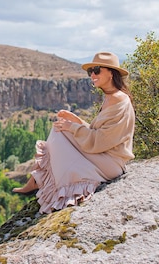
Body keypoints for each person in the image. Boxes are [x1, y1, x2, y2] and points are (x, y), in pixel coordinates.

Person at [12, 51, 135, 214]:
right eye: (90, 71)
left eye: (97, 70)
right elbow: (98, 133)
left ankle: (41, 183)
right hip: (105, 156)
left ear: (111, 73)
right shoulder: (110, 97)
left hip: (111, 162)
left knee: (60, 131)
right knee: (60, 128)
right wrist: (76, 121)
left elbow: (100, 140)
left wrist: (72, 127)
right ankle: (38, 181)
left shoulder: (118, 99)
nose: (92, 75)